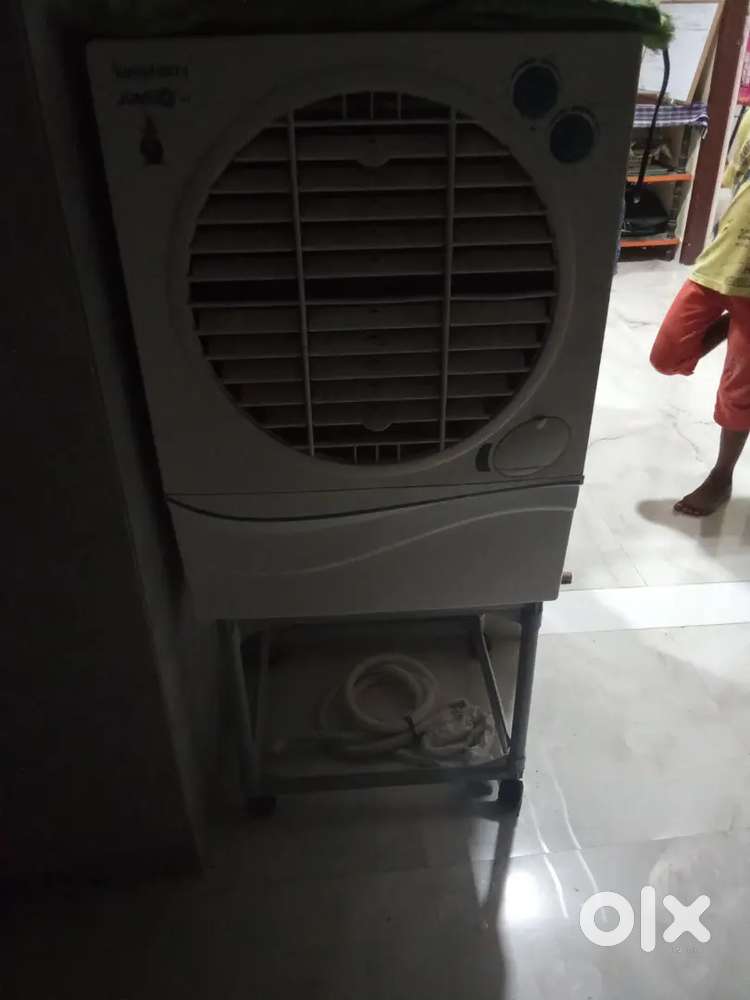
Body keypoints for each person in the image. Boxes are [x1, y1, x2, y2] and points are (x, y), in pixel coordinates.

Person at [650, 109, 750, 516]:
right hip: (721, 262)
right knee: (667, 355)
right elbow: (738, 184)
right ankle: (730, 323)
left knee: (739, 393)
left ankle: (721, 477)